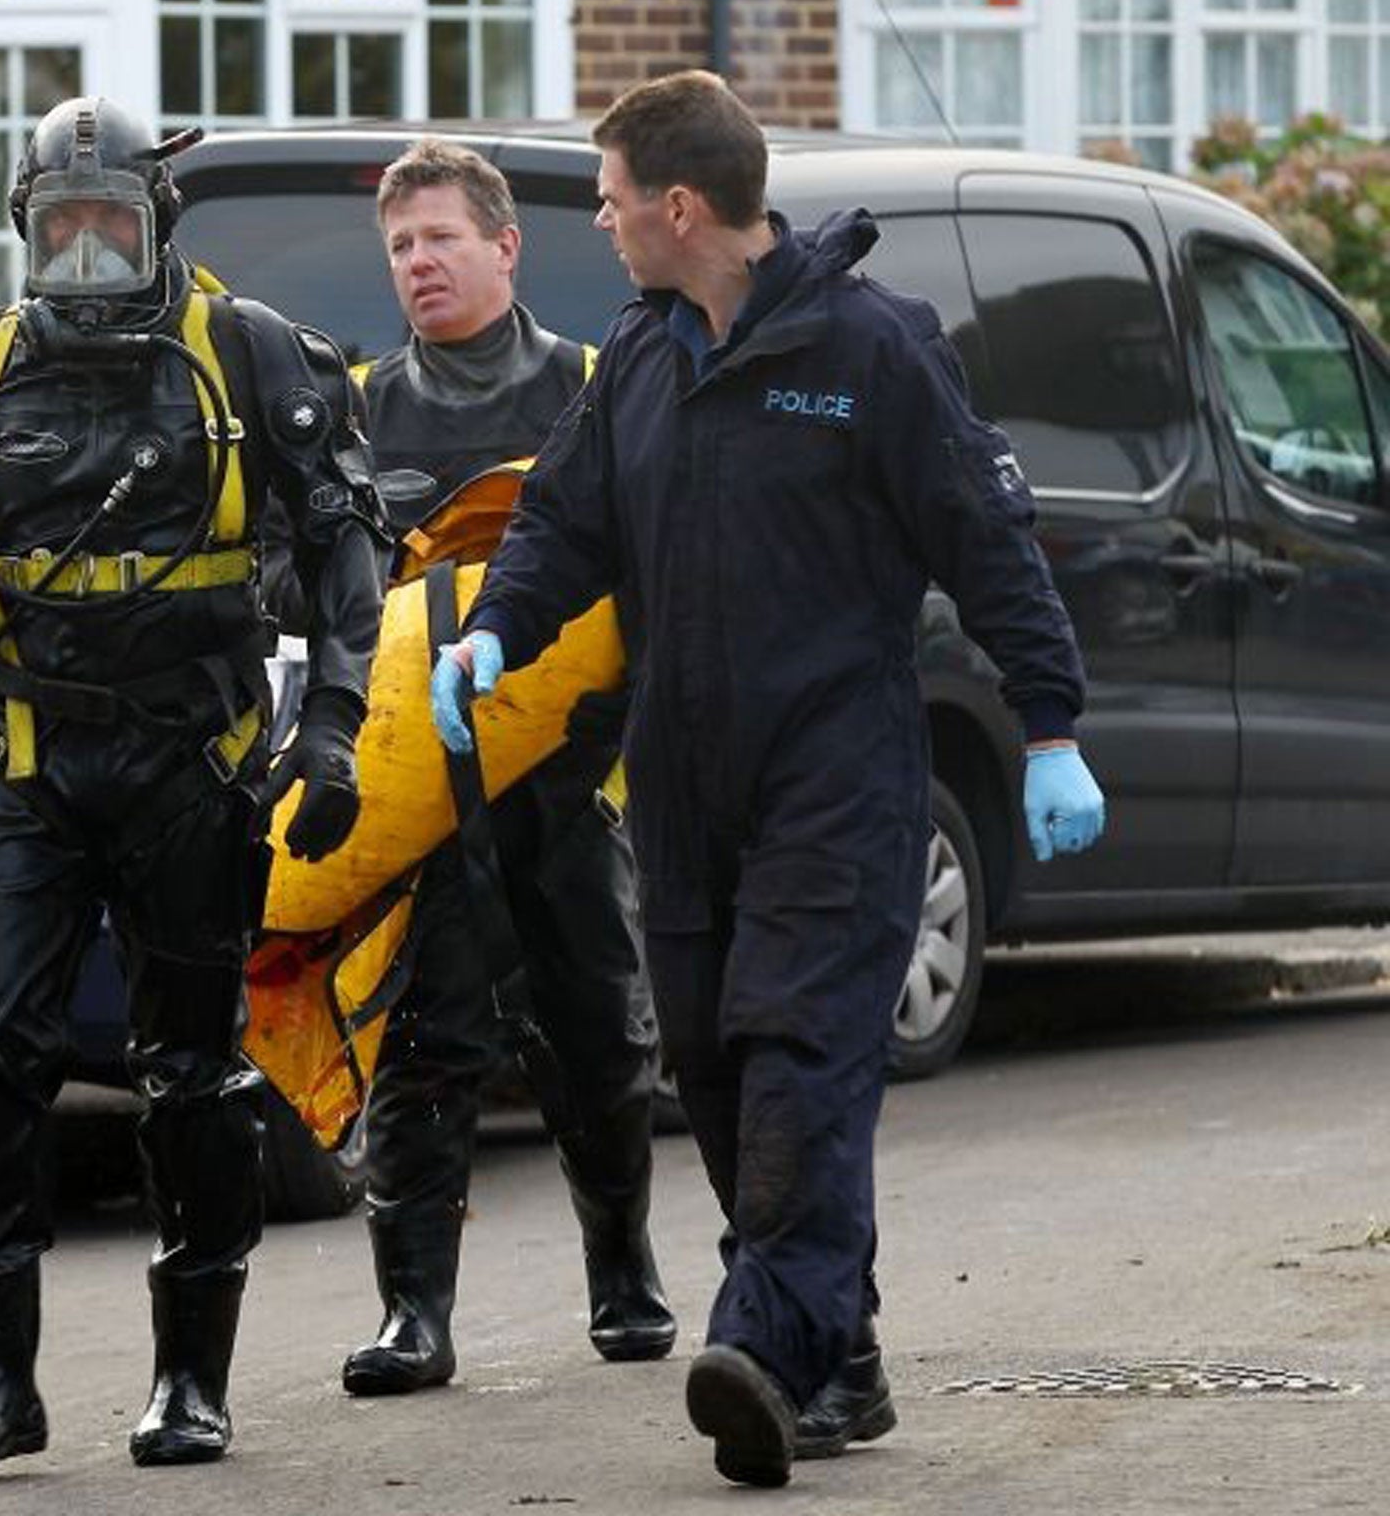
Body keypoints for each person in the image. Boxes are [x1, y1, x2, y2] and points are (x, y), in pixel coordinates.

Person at [430, 72, 1104, 1488]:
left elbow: (986, 535)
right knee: (715, 1057)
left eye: (612, 200)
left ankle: (764, 1340)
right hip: (684, 773)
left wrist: (1050, 724)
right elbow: (565, 519)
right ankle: (837, 1351)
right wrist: (499, 626)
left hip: (837, 771)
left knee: (801, 1045)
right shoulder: (644, 355)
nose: (602, 225)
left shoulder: (869, 350)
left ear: (680, 206)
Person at [0, 96, 386, 1473]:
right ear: (23, 229)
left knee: (193, 1075)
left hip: (191, 765)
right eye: (60, 227)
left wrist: (332, 731)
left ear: (160, 226)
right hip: (20, 763)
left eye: (110, 227)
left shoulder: (253, 360)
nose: (86, 253)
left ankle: (192, 1381)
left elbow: (346, 555)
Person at [327, 138, 677, 1397]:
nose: (419, 263)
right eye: (400, 247)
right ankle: (412, 1312)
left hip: (567, 780)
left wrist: (615, 725)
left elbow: (651, 576)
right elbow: (319, 595)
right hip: (417, 796)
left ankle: (622, 1270)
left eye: (439, 239)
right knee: (419, 1041)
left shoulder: (592, 387)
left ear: (504, 246)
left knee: (596, 1032)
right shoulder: (361, 412)